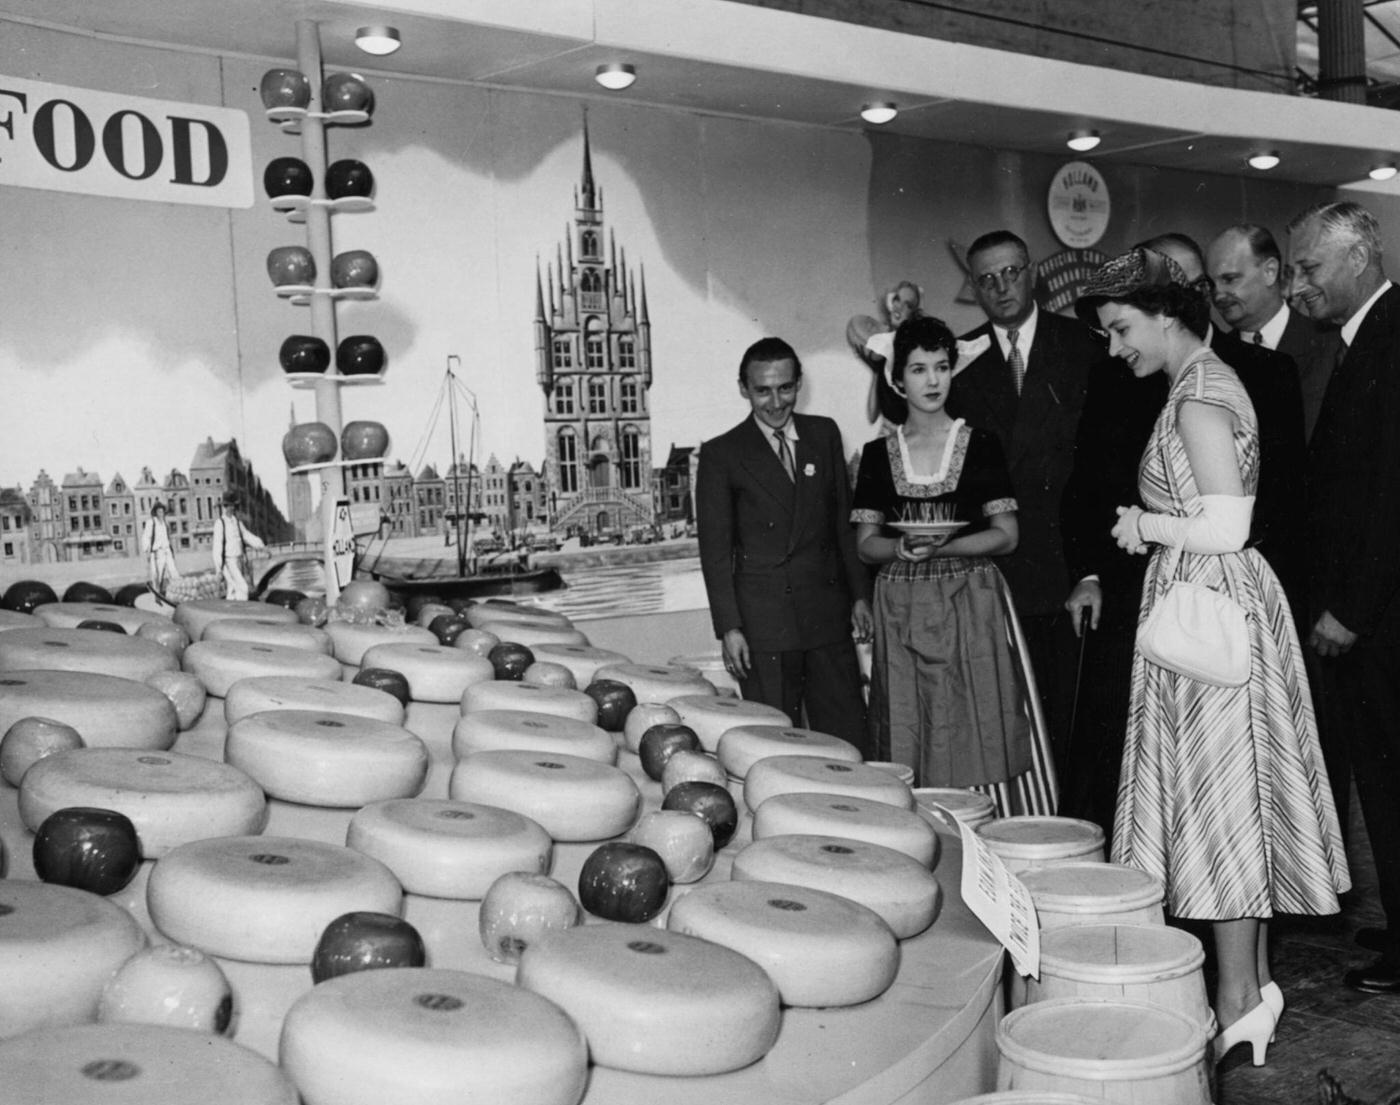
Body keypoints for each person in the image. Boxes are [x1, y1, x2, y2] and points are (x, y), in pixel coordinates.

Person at [1076, 246, 1348, 1064]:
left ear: (1167, 315)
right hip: (1221, 606)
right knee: (1235, 808)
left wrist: (1143, 525)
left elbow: (1228, 524)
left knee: (1221, 811)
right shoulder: (1201, 384)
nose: (1115, 345)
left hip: (1210, 608)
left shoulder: (1199, 396)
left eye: (1122, 328)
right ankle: (1255, 985)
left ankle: (1235, 999)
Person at [1288, 200, 1400, 996]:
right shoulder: (1360, 339)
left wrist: (1350, 608)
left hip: (1381, 621)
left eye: (1308, 268)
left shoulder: (1391, 337)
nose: (1301, 284)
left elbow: (1393, 493)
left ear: (1357, 260)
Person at [851, 316, 1031, 791]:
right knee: (911, 720)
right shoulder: (876, 455)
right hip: (901, 605)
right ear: (897, 378)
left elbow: (1007, 535)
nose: (932, 381)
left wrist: (944, 546)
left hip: (970, 597)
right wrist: (902, 547)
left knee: (978, 716)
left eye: (941, 367)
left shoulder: (982, 444)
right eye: (918, 369)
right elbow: (867, 546)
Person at [947, 230, 1101, 775]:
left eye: (1011, 272)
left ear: (1030, 270)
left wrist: (1094, 569)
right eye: (987, 279)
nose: (1002, 286)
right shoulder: (959, 363)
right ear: (973, 286)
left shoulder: (1084, 344)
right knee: (1011, 729)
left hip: (1071, 567)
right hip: (996, 575)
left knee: (1074, 722)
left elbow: (1103, 467)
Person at [695, 337, 873, 751]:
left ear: (799, 384)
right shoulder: (722, 454)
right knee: (778, 748)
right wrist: (730, 628)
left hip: (827, 618)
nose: (776, 402)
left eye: (785, 388)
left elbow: (842, 525)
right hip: (764, 628)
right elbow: (716, 552)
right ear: (744, 388)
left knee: (848, 742)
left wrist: (860, 596)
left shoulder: (824, 434)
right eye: (763, 390)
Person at [1207, 223, 1340, 442]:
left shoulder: (1330, 345)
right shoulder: (1213, 357)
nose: (1218, 295)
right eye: (1212, 284)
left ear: (1270, 271)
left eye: (1229, 279)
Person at [211, 492, 265, 601]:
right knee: (243, 588)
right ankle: (242, 613)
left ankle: (230, 611)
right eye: (227, 506)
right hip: (228, 562)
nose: (229, 508)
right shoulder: (220, 523)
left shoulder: (237, 522)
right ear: (224, 507)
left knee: (232, 590)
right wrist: (218, 569)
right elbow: (217, 547)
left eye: (231, 506)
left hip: (239, 560)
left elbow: (246, 536)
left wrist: (262, 547)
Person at [139, 501, 180, 593]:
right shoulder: (151, 522)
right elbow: (146, 537)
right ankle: (157, 594)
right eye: (159, 512)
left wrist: (170, 550)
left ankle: (177, 591)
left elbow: (167, 538)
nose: (161, 514)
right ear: (155, 512)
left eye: (162, 512)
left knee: (173, 571)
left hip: (167, 550)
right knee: (158, 575)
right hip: (157, 552)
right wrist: (147, 551)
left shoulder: (165, 523)